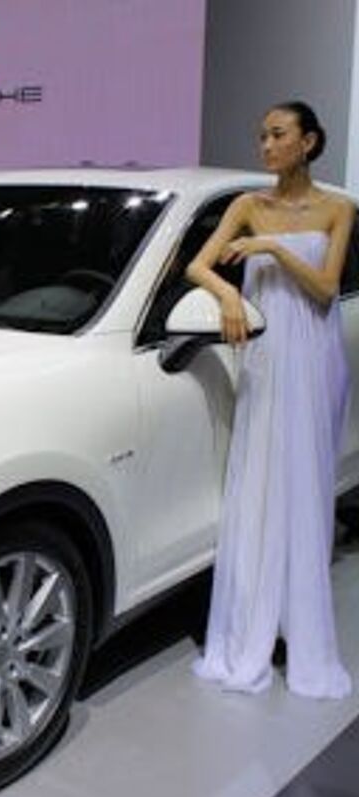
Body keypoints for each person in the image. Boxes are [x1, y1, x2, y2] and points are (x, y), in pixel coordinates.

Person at [188, 101, 354, 699]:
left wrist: (273, 250)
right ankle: (252, 619)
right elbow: (198, 267)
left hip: (315, 357)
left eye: (278, 134)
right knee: (258, 482)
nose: (266, 145)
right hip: (266, 353)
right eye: (262, 135)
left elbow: (325, 289)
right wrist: (229, 296)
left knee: (305, 486)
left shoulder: (338, 208)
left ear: (308, 141)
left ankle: (299, 624)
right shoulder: (247, 205)